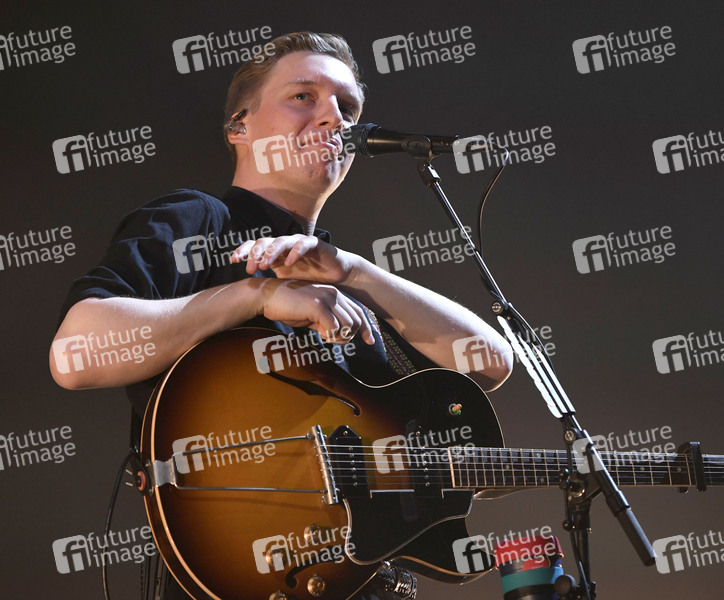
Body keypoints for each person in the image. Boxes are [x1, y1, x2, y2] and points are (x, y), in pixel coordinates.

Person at [50, 31, 512, 600]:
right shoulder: (198, 220)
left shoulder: (343, 279)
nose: (334, 118)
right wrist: (256, 296)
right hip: (241, 572)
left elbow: (490, 362)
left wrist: (356, 271)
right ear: (239, 127)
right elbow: (74, 355)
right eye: (303, 96)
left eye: (348, 108)